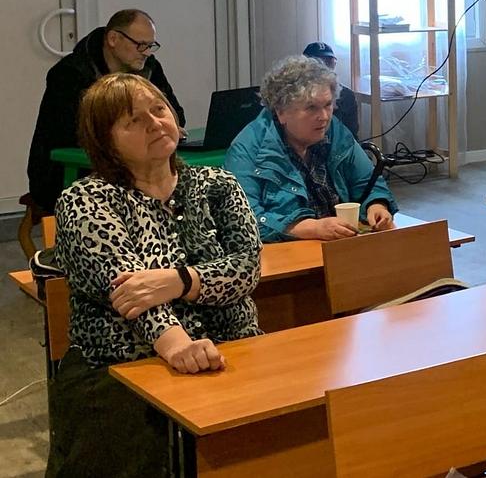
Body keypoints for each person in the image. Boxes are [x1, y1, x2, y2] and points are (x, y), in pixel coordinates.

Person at [46, 73, 260, 476]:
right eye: (134, 120)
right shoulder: (85, 200)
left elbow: (247, 268)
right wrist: (179, 346)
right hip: (125, 367)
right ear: (105, 141)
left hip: (233, 350)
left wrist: (179, 280)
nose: (155, 123)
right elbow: (131, 293)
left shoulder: (218, 184)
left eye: (159, 110)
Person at [28, 8, 186, 213]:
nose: (146, 52)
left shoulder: (149, 67)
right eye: (140, 45)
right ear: (113, 39)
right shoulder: (69, 74)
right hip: (66, 173)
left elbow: (176, 114)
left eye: (150, 46)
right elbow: (73, 136)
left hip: (132, 168)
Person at [226, 56, 397, 242]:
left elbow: (367, 182)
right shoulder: (247, 149)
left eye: (328, 105)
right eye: (311, 108)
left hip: (341, 245)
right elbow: (243, 220)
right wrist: (309, 228)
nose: (324, 117)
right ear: (281, 112)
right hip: (287, 251)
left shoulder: (335, 132)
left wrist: (377, 206)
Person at [302, 41, 360, 136]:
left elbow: (351, 135)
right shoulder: (294, 95)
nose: (324, 68)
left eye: (329, 63)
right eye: (318, 63)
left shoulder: (346, 95)